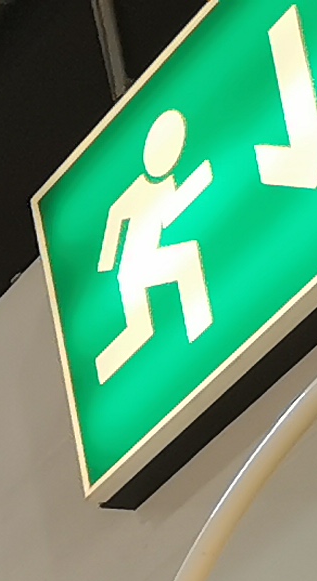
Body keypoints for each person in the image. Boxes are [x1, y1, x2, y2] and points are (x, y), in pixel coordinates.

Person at [94, 107, 215, 382]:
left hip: (143, 265)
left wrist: (197, 183)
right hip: (135, 268)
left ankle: (200, 330)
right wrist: (106, 259)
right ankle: (199, 330)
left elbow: (170, 213)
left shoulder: (167, 184)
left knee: (140, 329)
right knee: (140, 327)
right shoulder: (140, 187)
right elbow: (116, 214)